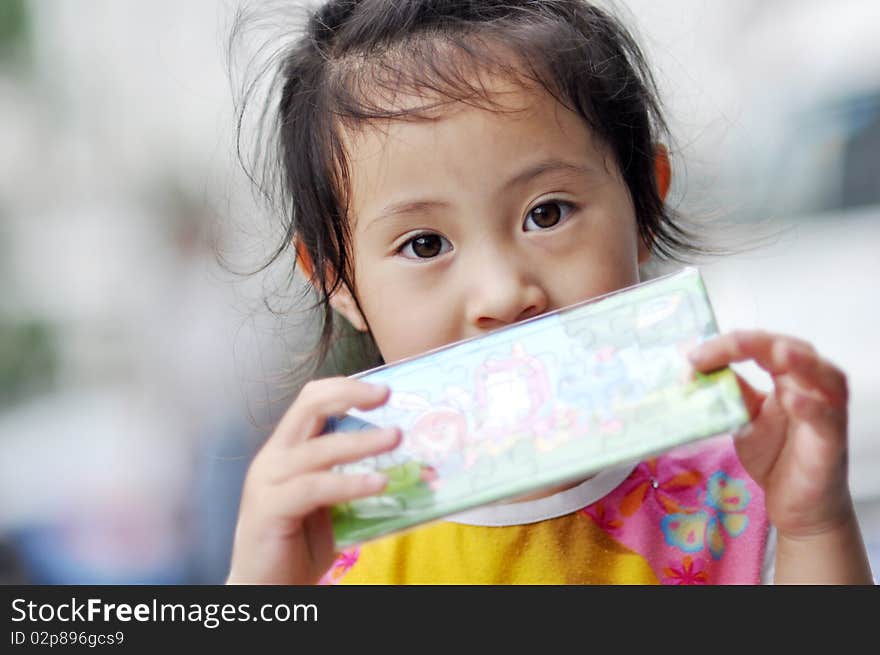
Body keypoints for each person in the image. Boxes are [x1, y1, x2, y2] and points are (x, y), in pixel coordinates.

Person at [225, 0, 873, 584]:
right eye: (424, 244)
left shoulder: (745, 496)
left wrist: (817, 525)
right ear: (337, 280)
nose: (504, 293)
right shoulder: (326, 556)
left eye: (548, 212)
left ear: (644, 204)